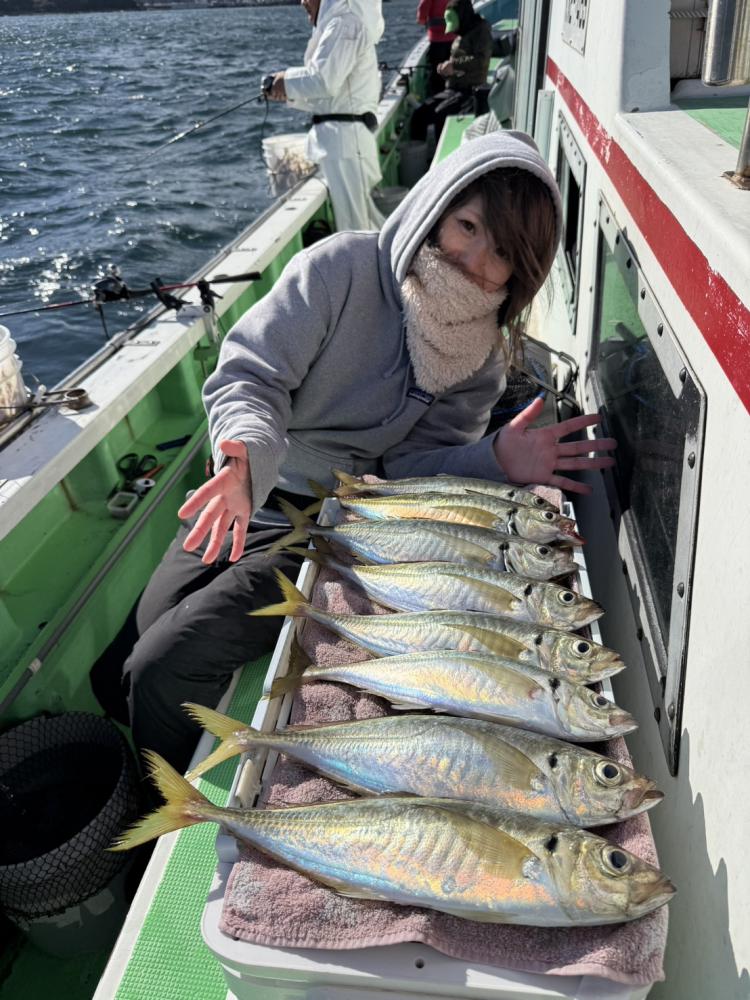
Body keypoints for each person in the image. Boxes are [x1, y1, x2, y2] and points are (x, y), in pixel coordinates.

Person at [120, 131, 616, 774]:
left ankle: (163, 794)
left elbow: (409, 469)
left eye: (501, 251)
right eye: (467, 226)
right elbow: (252, 375)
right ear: (436, 207)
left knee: (160, 665)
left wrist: (493, 459)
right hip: (248, 486)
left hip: (337, 524)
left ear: (522, 269)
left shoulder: (483, 360)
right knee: (139, 633)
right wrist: (243, 463)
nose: (474, 259)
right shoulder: (340, 269)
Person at [266, 0, 385, 232]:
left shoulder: (345, 24)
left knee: (356, 228)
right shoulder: (341, 24)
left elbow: (323, 81)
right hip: (340, 143)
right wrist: (286, 91)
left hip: (345, 145)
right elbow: (330, 96)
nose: (302, 2)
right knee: (363, 223)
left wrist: (284, 81)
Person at [410, 0, 492, 144]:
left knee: (438, 115)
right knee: (419, 115)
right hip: (453, 88)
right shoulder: (462, 31)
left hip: (469, 91)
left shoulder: (481, 30)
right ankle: (421, 151)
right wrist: (444, 68)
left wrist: (454, 65)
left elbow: (481, 60)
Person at [416, 0, 457, 97]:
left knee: (436, 71)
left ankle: (438, 95)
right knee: (453, 67)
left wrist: (422, 20)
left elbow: (422, 11)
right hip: (454, 38)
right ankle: (453, 92)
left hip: (437, 39)